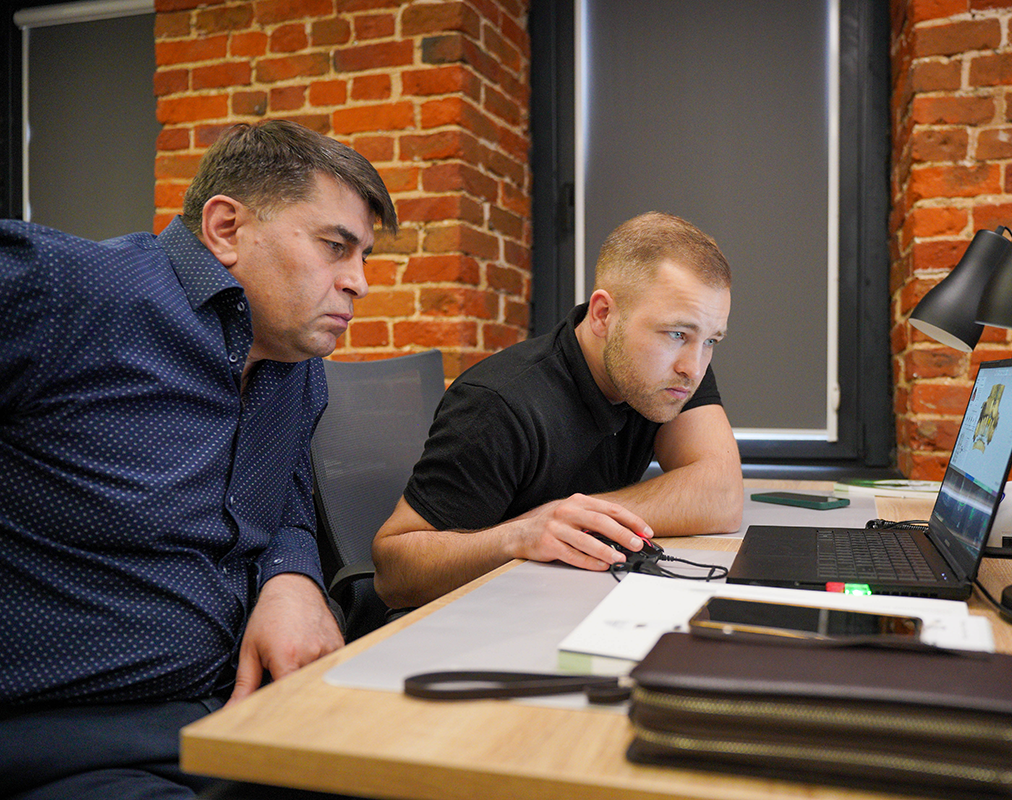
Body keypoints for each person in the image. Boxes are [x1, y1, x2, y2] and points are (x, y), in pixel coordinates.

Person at [0, 119, 397, 799]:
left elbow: (286, 496)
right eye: (335, 247)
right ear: (225, 229)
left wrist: (291, 578)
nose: (358, 282)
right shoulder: (69, 289)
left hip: (238, 712)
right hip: (70, 737)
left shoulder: (295, 365)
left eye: (364, 257)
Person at [372, 212, 743, 609]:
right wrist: (518, 535)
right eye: (677, 334)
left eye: (711, 341)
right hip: (480, 618)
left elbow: (720, 494)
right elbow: (392, 575)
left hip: (568, 600)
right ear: (603, 315)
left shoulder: (671, 373)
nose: (695, 367)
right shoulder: (498, 405)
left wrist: (577, 517)